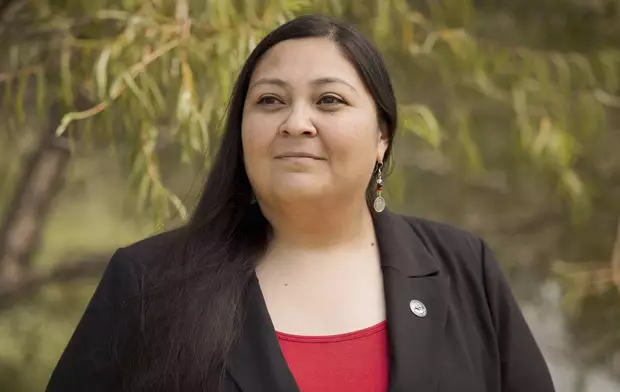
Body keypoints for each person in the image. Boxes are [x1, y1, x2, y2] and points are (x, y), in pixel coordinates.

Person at [45, 14, 555, 392]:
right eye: (270, 101)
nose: (295, 122)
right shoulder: (148, 282)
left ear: (382, 136)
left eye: (329, 100)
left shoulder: (465, 269)